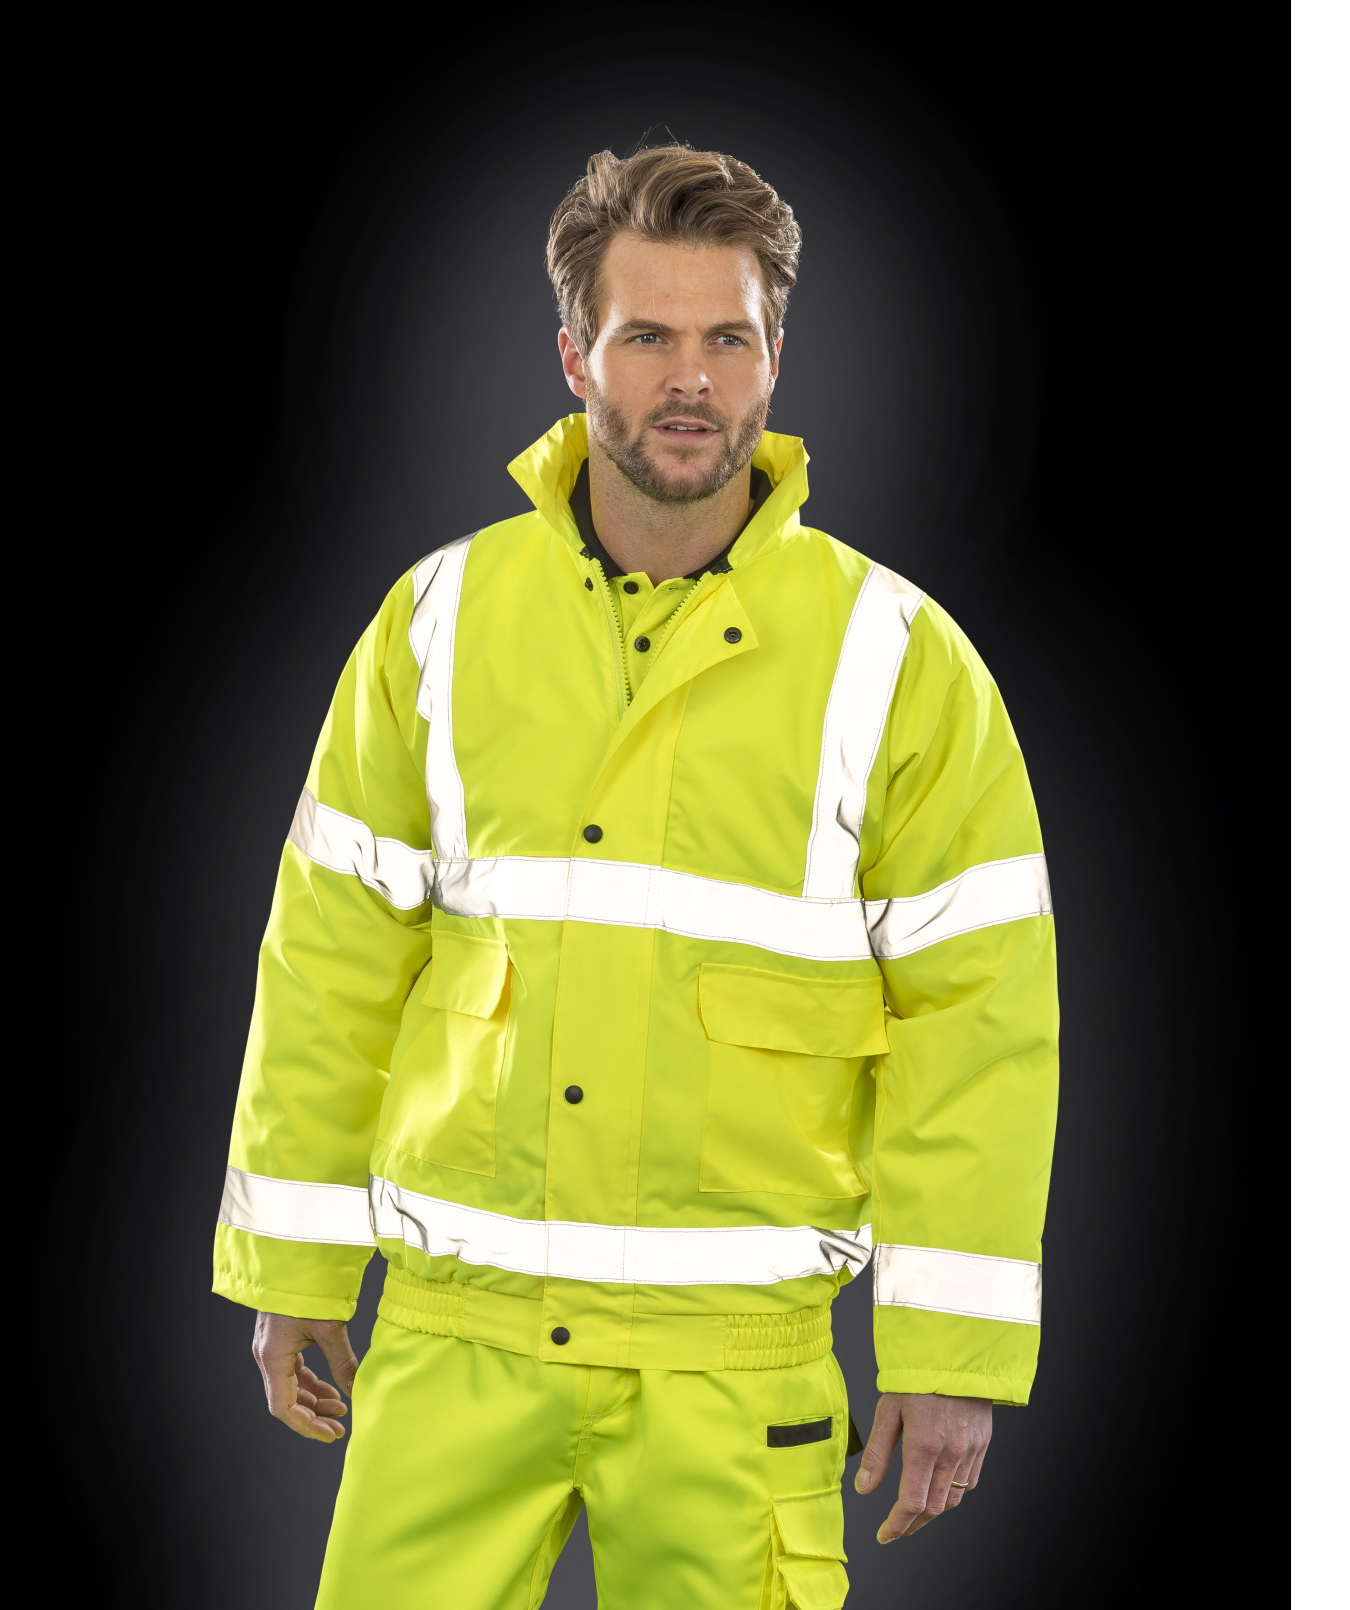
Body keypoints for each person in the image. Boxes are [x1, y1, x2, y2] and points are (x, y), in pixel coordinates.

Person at [214, 143, 1059, 1609]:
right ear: (573, 356)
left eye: (729, 338)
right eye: (648, 336)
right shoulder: (437, 620)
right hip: (458, 1343)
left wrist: (948, 1350)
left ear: (777, 358)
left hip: (733, 1372)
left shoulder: (897, 660)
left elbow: (978, 1020)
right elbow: (330, 960)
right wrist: (294, 1264)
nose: (691, 380)